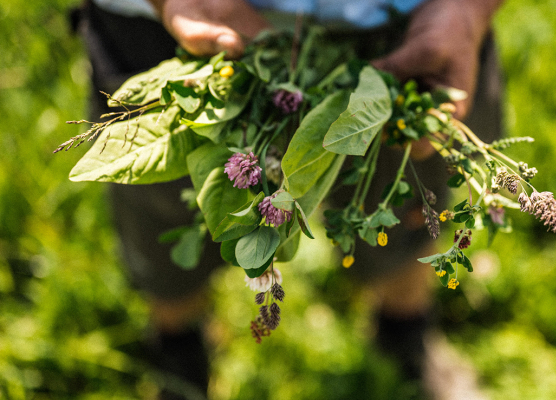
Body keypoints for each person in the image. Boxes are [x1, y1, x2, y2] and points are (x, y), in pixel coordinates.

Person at [74, 0, 503, 398]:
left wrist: (467, 9)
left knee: (404, 206)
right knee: (162, 219)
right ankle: (178, 346)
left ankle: (404, 332)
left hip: (407, 27)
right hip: (177, 24)